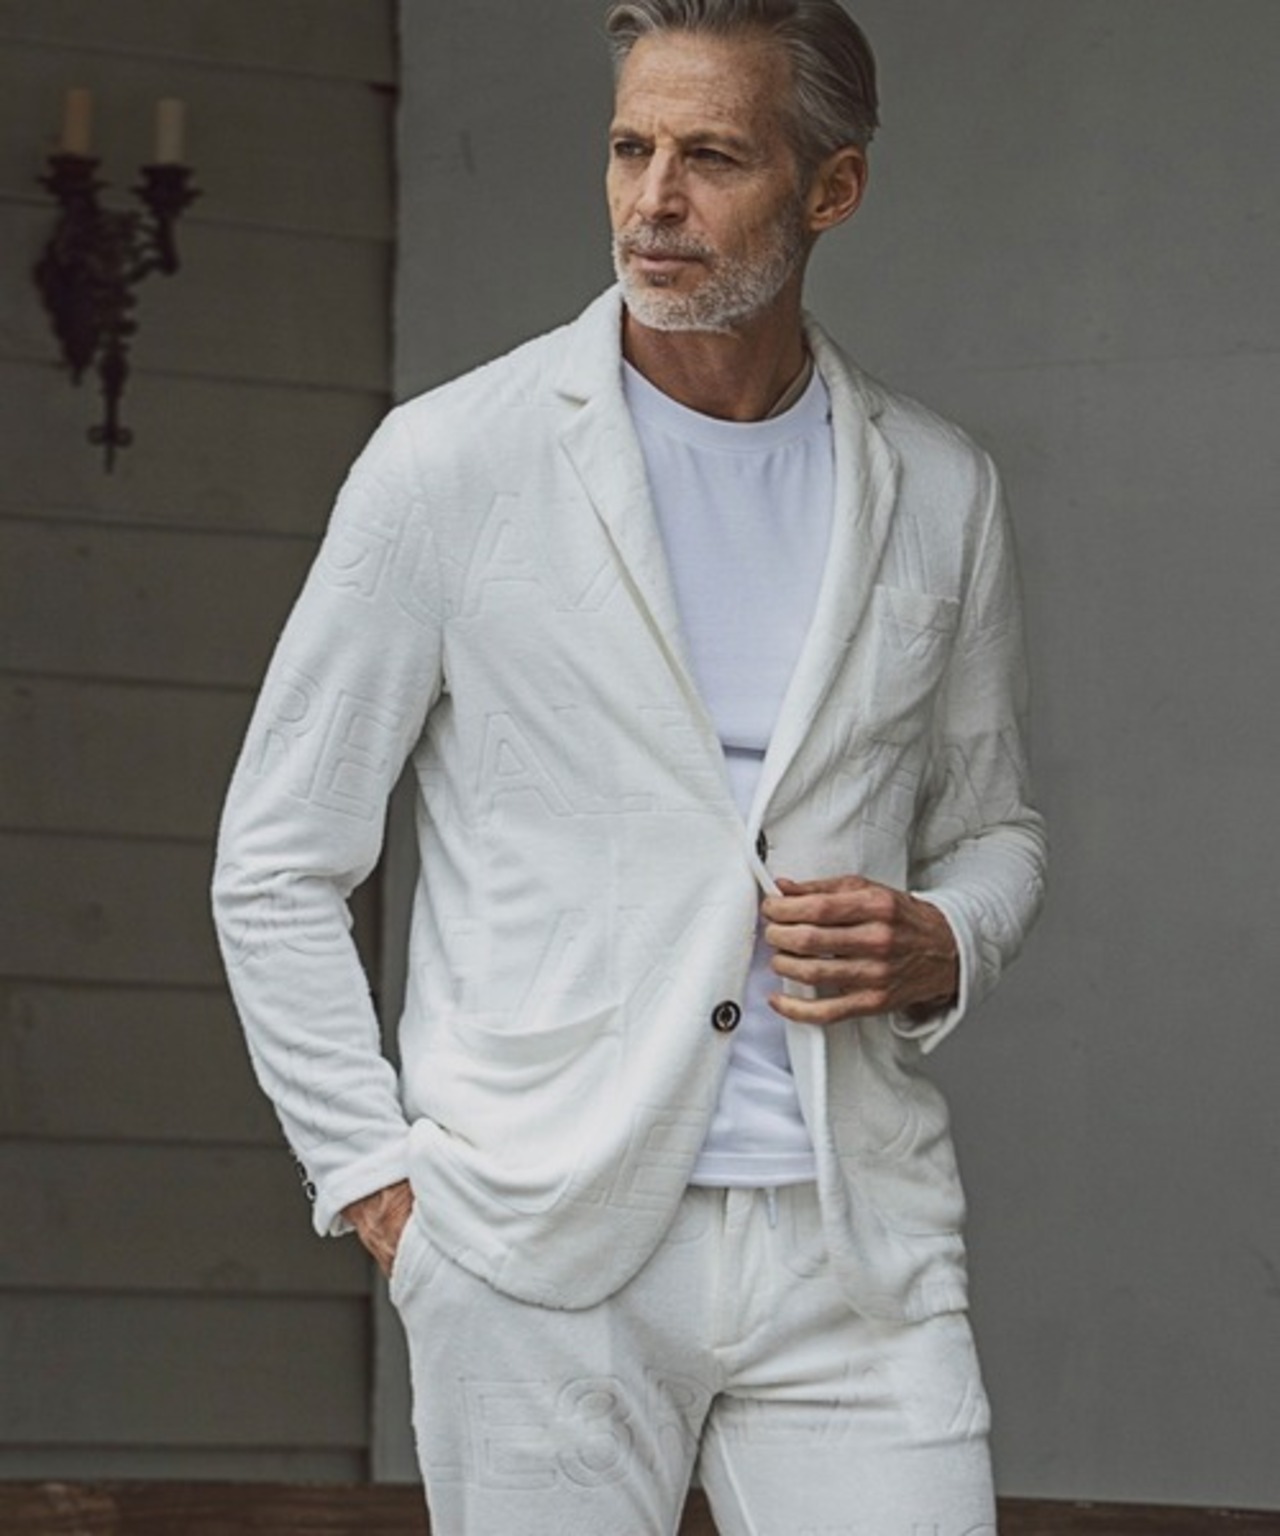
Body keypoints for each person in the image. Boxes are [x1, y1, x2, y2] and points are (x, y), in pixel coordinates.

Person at [212, 1, 1047, 1530]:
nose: (653, 200)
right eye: (629, 148)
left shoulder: (937, 486)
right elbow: (277, 859)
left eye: (712, 156)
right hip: (536, 1245)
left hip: (855, 1244)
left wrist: (947, 936)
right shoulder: (454, 461)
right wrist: (380, 1185)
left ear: (833, 187)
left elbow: (997, 829)